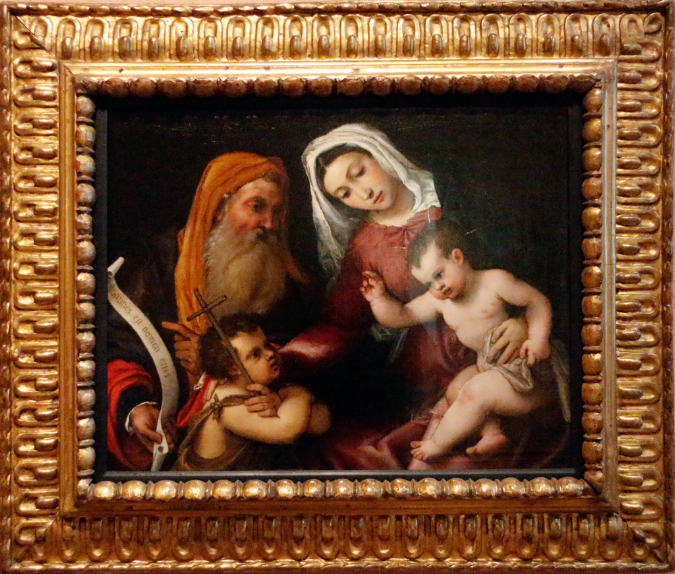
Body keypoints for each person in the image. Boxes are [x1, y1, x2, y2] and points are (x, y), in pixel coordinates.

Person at [280, 124, 530, 470]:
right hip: (426, 381)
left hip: (505, 353)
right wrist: (284, 360)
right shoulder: (365, 245)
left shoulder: (457, 194)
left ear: (380, 154)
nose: (363, 193)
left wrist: (523, 323)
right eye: (345, 193)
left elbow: (526, 272)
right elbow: (340, 323)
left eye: (359, 172)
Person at [107, 152, 310, 471]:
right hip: (172, 431)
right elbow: (118, 347)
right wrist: (136, 407)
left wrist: (265, 386)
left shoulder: (273, 271)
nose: (270, 223)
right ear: (218, 207)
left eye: (277, 211)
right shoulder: (156, 263)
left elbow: (293, 346)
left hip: (250, 425)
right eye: (256, 207)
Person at [361, 220, 567, 461]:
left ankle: (438, 444)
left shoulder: (494, 282)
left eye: (439, 275)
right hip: (490, 367)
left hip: (527, 369)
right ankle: (492, 432)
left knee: (474, 392)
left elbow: (536, 301)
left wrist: (537, 339)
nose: (437, 287)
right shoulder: (439, 301)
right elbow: (401, 315)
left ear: (457, 257)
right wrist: (378, 299)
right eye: (429, 283)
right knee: (456, 390)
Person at [174, 314, 330, 471]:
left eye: (266, 345)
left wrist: (283, 400)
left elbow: (322, 424)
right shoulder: (230, 406)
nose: (270, 353)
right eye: (256, 354)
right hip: (211, 484)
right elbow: (287, 430)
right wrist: (297, 394)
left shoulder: (256, 388)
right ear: (233, 368)